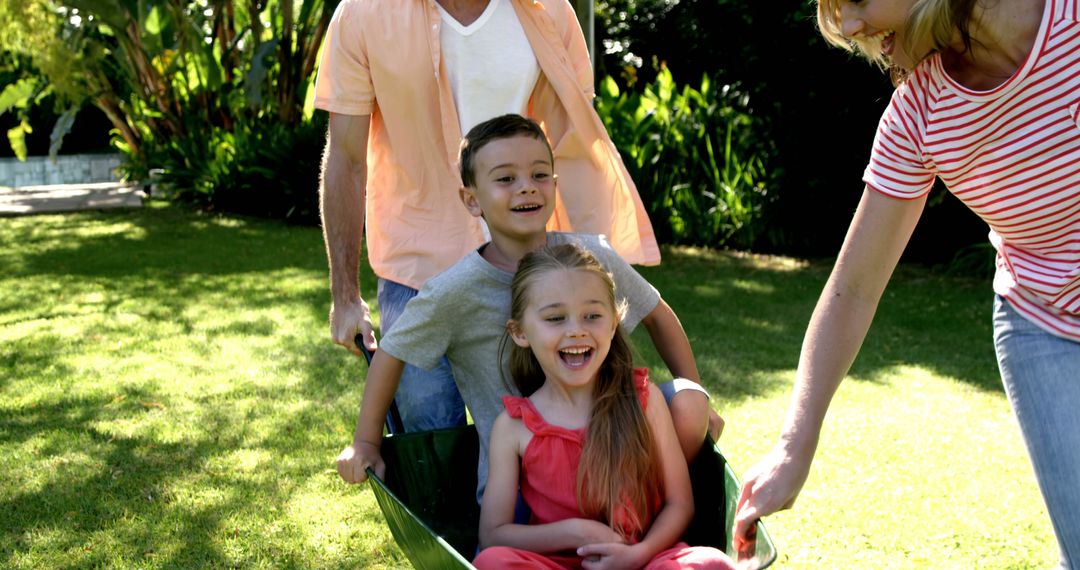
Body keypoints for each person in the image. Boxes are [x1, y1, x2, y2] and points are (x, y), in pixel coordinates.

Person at [732, 0, 1079, 566]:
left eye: (857, 1)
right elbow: (854, 288)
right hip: (1045, 322)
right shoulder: (918, 115)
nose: (847, 27)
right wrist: (794, 448)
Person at [313, 0, 659, 434]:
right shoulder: (364, 13)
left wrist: (586, 267)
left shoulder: (549, 9)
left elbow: (572, 142)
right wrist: (345, 296)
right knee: (431, 435)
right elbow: (346, 159)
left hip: (525, 271)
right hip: (415, 270)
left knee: (544, 437)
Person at [336, 114, 720, 501]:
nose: (526, 188)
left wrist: (703, 400)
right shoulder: (456, 291)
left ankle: (642, 509)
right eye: (506, 179)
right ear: (472, 200)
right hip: (522, 480)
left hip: (610, 450)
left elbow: (657, 314)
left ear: (553, 186)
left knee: (689, 401)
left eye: (539, 176)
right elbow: (392, 352)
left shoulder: (590, 256)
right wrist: (366, 441)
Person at [472, 243, 736, 570]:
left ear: (613, 323)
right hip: (555, 563)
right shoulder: (514, 427)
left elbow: (680, 504)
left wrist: (638, 554)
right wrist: (575, 532)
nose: (576, 330)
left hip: (643, 557)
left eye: (593, 316)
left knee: (711, 562)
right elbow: (494, 535)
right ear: (520, 332)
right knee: (493, 562)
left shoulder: (642, 399)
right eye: (555, 318)